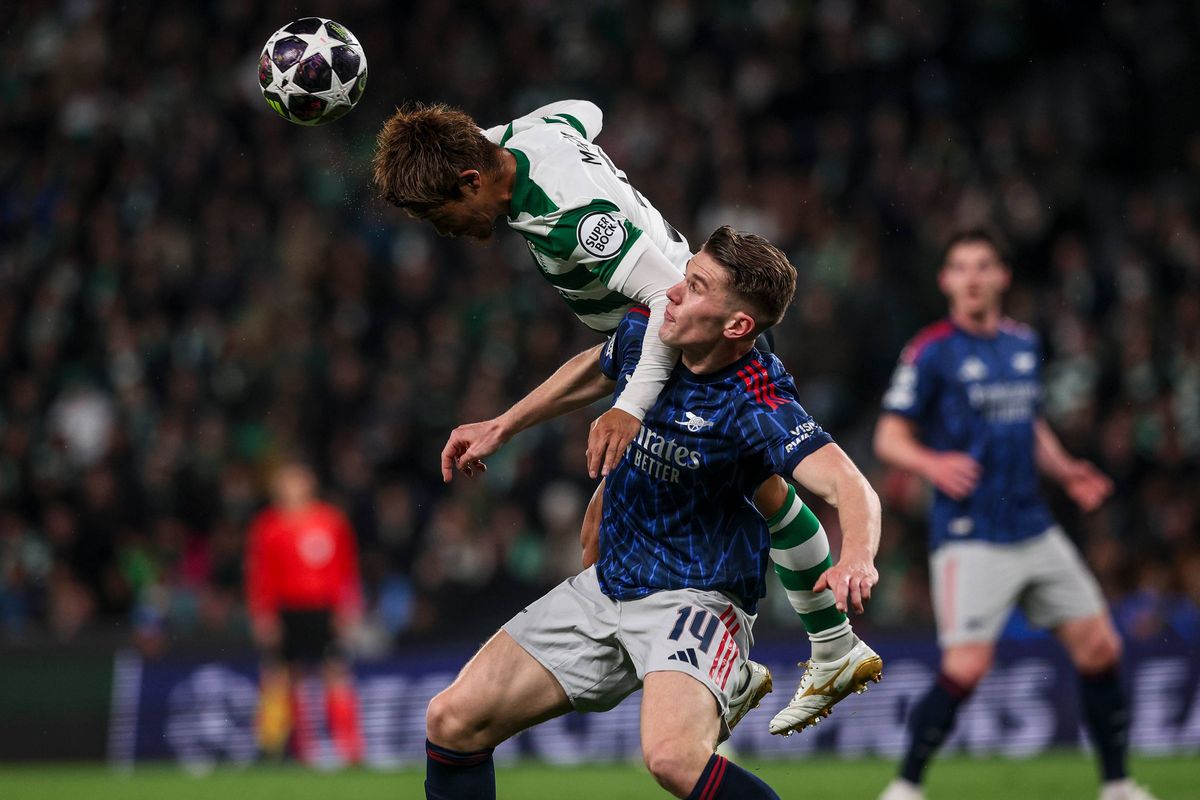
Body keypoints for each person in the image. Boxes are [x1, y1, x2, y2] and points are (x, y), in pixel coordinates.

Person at [375, 101, 881, 732]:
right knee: (738, 499)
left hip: (687, 346)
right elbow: (583, 111)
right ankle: (821, 650)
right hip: (657, 337)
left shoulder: (573, 218)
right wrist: (503, 425)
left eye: (438, 213)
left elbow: (663, 302)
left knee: (720, 501)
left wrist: (627, 409)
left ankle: (775, 659)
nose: (442, 228)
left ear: (472, 181)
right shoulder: (533, 137)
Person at [424, 226, 882, 799]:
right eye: (685, 275)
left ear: (737, 326)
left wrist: (857, 556)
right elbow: (594, 367)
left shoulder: (755, 400)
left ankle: (731, 667)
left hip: (696, 597)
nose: (673, 292)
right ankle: (733, 679)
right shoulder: (648, 329)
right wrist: (502, 425)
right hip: (609, 585)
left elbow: (849, 484)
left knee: (672, 759)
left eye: (697, 286)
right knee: (451, 721)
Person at [873, 230, 1158, 800]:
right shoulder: (931, 351)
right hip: (970, 533)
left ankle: (1118, 786)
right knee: (966, 667)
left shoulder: (1022, 344)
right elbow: (888, 437)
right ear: (945, 280)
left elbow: (1028, 422)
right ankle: (904, 788)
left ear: (1003, 276)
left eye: (984, 266)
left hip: (1033, 526)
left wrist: (1066, 468)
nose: (972, 278)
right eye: (960, 267)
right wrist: (933, 463)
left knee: (1101, 647)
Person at [244, 460, 364, 766]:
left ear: (310, 484)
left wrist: (347, 607)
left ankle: (351, 750)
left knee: (336, 673)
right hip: (286, 610)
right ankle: (280, 748)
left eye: (298, 481)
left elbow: (346, 569)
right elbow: (261, 574)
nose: (293, 488)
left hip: (323, 609)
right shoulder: (268, 526)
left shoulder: (331, 521)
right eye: (287, 482)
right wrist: (263, 614)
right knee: (280, 676)